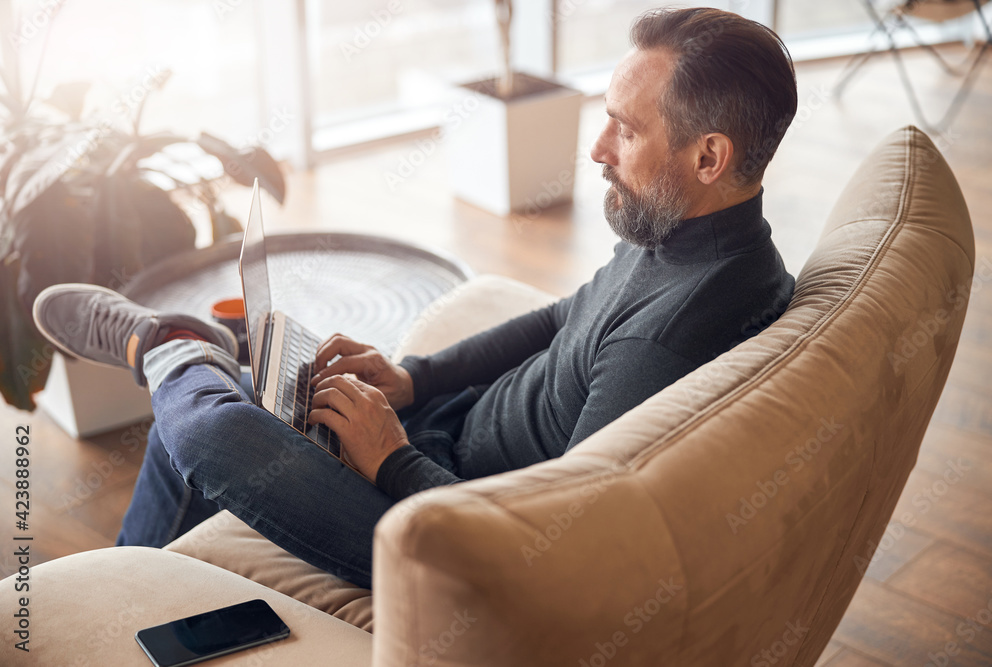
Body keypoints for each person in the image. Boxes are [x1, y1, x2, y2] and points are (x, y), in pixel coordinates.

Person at [32, 7, 798, 590]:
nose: (597, 149)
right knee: (217, 415)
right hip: (439, 435)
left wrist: (390, 459)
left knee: (205, 435)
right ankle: (130, 570)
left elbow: (550, 544)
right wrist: (414, 379)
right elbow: (566, 316)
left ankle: (171, 344)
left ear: (708, 156)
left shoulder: (675, 334)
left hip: (442, 528)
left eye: (624, 131)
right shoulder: (683, 232)